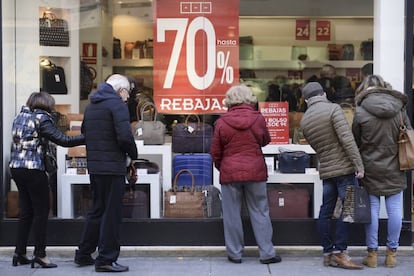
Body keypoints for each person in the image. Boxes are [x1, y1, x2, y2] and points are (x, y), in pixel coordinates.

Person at [9, 91, 85, 268]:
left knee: (26, 211)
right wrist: (88, 137)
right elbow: (63, 140)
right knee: (41, 212)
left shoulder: (20, 116)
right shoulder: (42, 118)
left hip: (16, 168)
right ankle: (40, 255)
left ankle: (19, 253)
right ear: (47, 104)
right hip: (34, 169)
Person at [210, 84, 281, 265]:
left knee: (231, 214)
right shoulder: (257, 119)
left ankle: (235, 253)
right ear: (249, 98)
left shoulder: (221, 122)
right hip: (255, 171)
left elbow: (215, 152)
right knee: (260, 211)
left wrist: (224, 166)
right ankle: (267, 253)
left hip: (230, 172)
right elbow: (265, 140)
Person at [74, 74, 138, 273]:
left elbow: (86, 132)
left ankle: (83, 253)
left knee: (97, 210)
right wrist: (133, 155)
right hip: (112, 166)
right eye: (127, 92)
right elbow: (125, 137)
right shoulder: (117, 105)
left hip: (95, 166)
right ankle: (106, 259)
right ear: (120, 90)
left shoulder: (92, 105)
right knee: (111, 214)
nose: (128, 97)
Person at [299, 82, 365, 270]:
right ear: (324, 94)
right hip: (344, 169)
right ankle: (340, 252)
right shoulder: (333, 109)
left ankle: (327, 252)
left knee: (325, 211)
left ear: (306, 100)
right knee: (349, 209)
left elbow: (317, 148)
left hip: (327, 170)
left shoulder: (305, 120)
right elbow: (347, 139)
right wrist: (358, 165)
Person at [352, 75, 408, 268]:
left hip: (370, 168)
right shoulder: (399, 109)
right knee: (395, 211)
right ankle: (392, 255)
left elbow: (355, 142)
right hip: (395, 165)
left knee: (373, 211)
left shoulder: (360, 112)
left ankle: (372, 254)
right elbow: (408, 133)